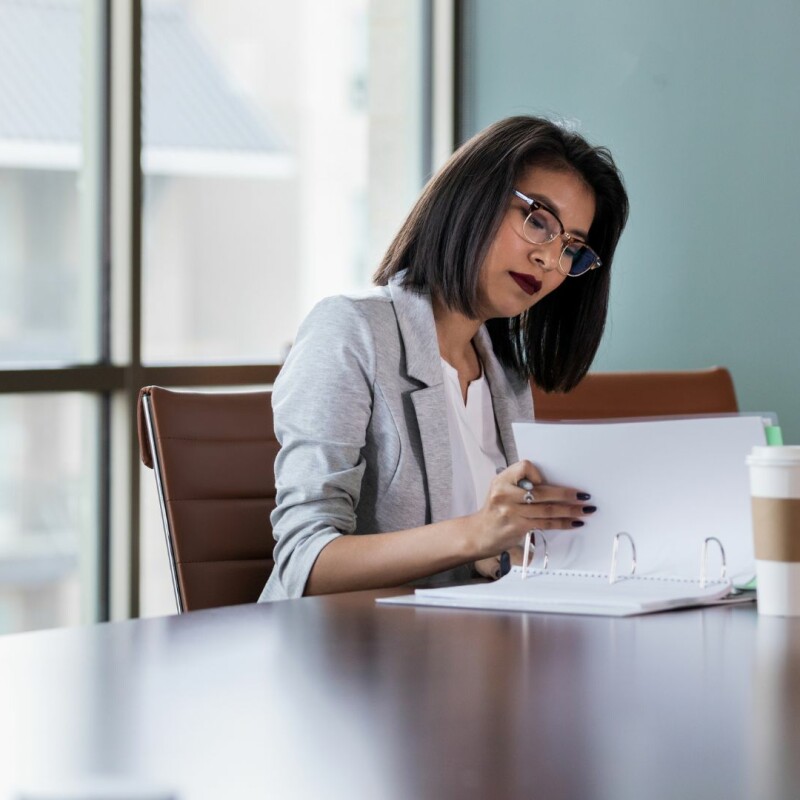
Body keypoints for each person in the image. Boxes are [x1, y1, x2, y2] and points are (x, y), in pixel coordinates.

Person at [259, 115, 629, 601]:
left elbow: (486, 558)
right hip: (350, 658)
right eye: (538, 221)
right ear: (474, 195)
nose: (548, 259)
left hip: (463, 651)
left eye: (572, 248)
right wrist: (478, 533)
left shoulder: (506, 376)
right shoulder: (351, 330)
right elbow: (303, 563)